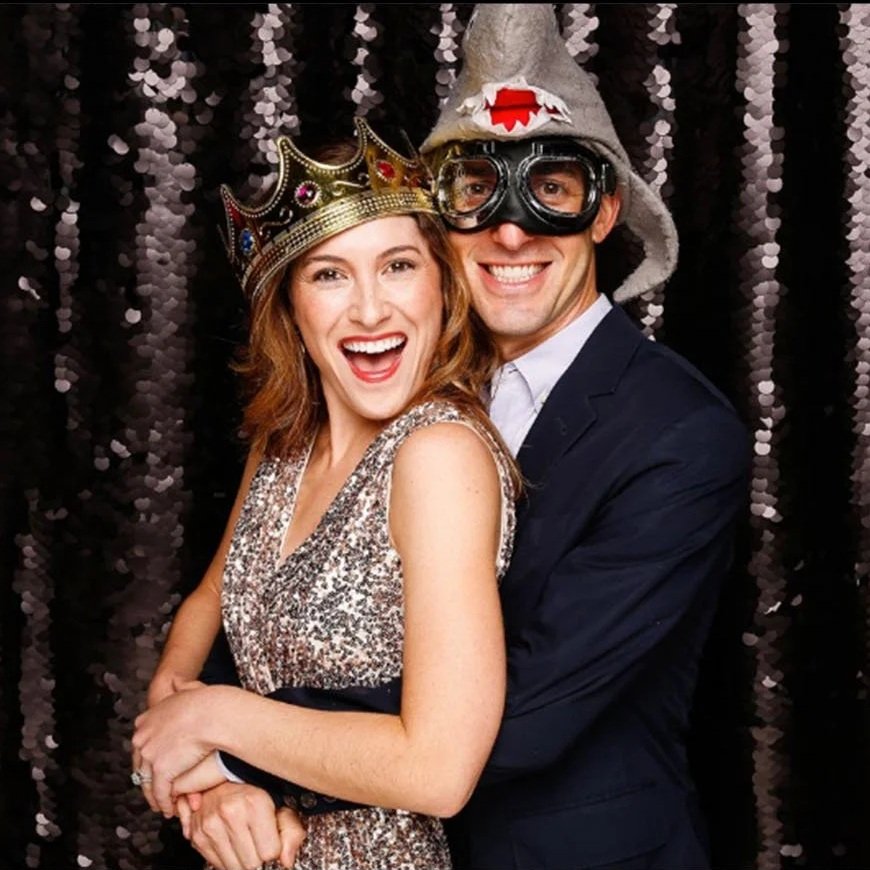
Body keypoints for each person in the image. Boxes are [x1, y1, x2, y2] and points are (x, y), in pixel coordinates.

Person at [139, 5, 751, 869]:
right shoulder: (397, 384)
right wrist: (217, 789)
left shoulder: (680, 435)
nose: (511, 230)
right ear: (441, 219)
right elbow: (237, 605)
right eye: (477, 190)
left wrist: (226, 741)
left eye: (554, 191)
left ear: (606, 212)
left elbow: (515, 716)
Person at [131, 116, 518, 870]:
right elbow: (201, 615)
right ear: (291, 307)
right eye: (330, 274)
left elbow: (437, 770)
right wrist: (209, 792)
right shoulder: (283, 445)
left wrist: (214, 718)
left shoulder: (438, 455)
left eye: (399, 266)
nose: (370, 310)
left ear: (444, 285)